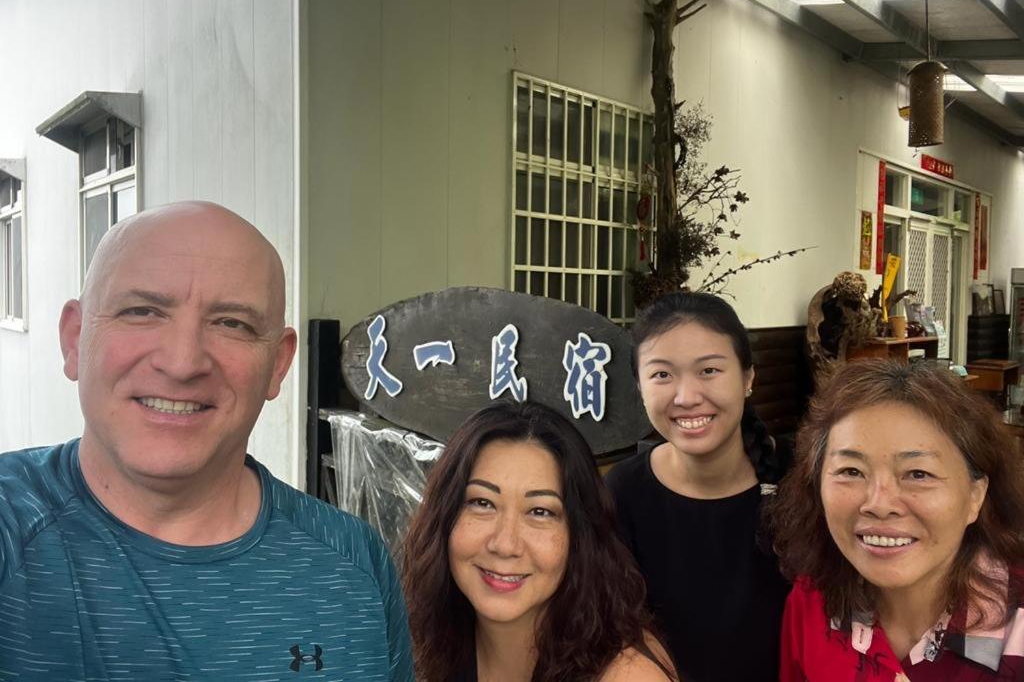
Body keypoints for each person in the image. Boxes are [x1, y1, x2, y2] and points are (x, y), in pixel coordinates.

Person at [0, 201, 413, 680]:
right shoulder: (13, 530)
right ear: (74, 340)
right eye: (143, 311)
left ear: (278, 364)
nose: (182, 362)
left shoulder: (355, 565)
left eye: (231, 323)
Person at [774, 358, 1024, 681]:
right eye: (851, 471)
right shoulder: (812, 603)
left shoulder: (1015, 630)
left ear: (975, 496)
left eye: (918, 474)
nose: (879, 504)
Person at [401, 400, 676, 682]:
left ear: (580, 536)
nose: (506, 545)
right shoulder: (419, 640)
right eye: (482, 503)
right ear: (444, 517)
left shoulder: (628, 675)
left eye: (540, 511)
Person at [605, 291, 791, 682]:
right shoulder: (624, 491)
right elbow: (614, 624)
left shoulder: (802, 479)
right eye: (662, 375)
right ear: (640, 388)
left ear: (748, 377)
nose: (686, 397)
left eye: (709, 371)